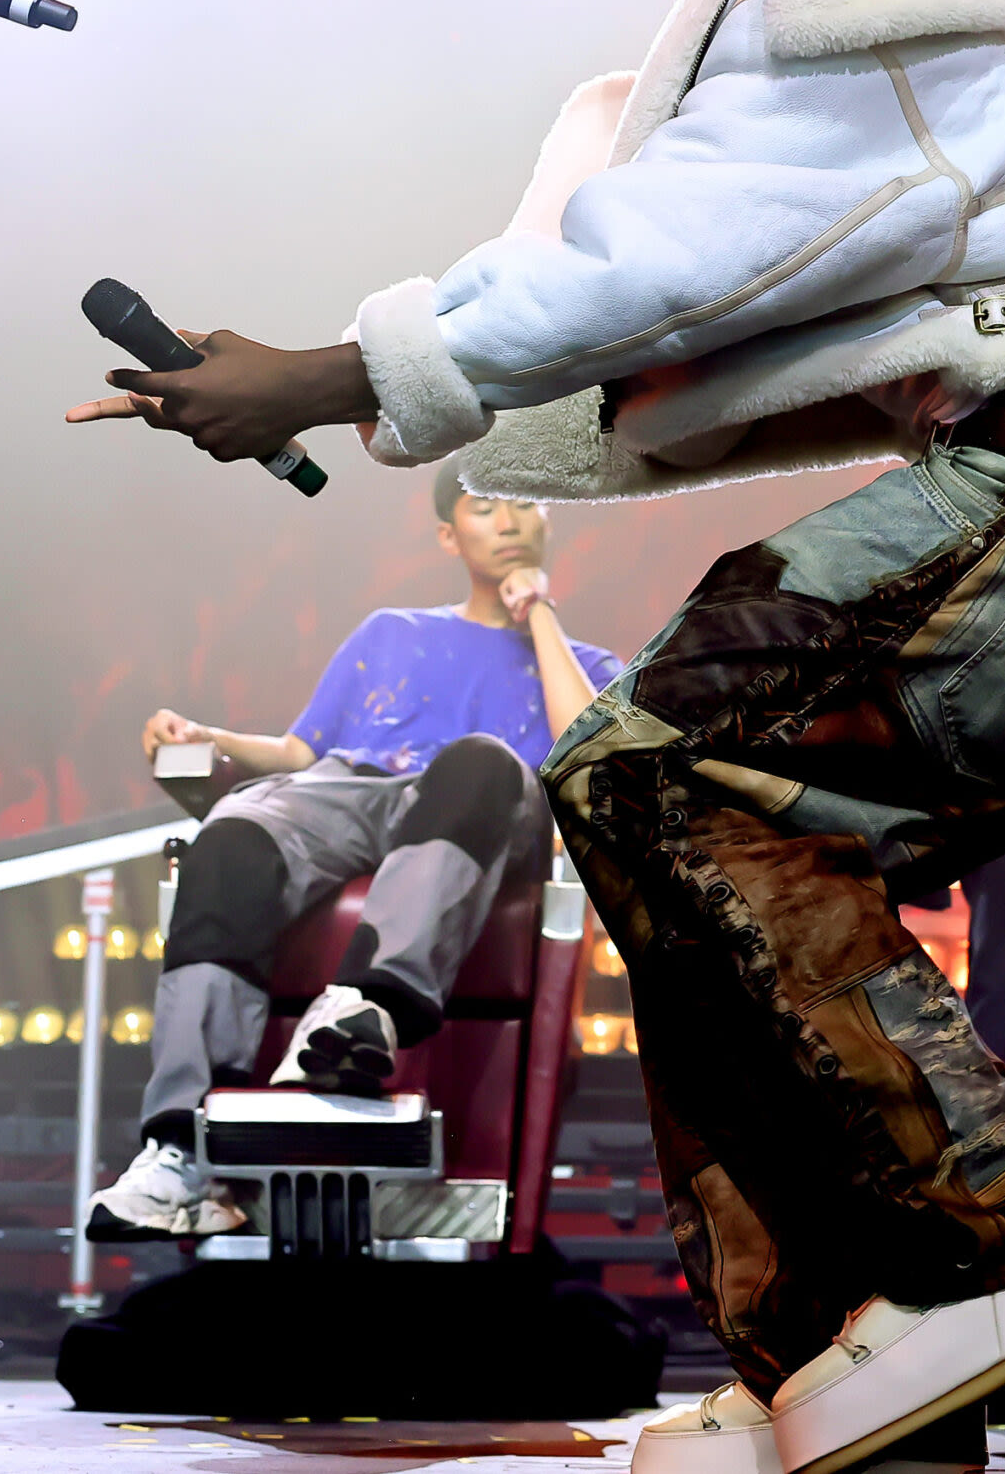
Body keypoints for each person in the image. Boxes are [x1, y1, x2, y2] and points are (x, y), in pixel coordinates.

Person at [72, 0, 1005, 1474]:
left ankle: (997, 1246)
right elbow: (604, 276)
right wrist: (322, 374)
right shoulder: (750, 39)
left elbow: (668, 261)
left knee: (652, 764)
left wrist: (324, 374)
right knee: (641, 802)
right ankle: (828, 1352)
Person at [85, 477, 623, 1242]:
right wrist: (204, 736)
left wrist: (539, 611)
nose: (505, 520)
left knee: (482, 760)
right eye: (481, 505)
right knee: (233, 835)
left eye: (520, 501)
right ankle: (180, 1148)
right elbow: (300, 752)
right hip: (351, 789)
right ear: (448, 536)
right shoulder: (388, 632)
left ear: (548, 513)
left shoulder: (588, 660)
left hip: (479, 807)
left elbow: (587, 751)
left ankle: (362, 1009)